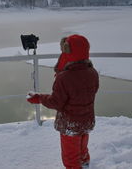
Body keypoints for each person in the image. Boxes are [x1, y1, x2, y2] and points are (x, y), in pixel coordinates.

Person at [27, 34, 99, 169]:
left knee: (70, 159)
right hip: (86, 121)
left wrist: (39, 98)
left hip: (70, 125)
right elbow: (92, 92)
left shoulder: (64, 77)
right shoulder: (92, 72)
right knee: (82, 149)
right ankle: (85, 164)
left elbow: (55, 102)